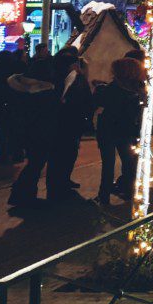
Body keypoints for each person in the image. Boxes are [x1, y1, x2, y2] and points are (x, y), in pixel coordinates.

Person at [6, 59, 60, 207]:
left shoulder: (18, 86)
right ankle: (22, 195)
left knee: (33, 162)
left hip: (23, 129)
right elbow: (48, 113)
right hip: (40, 131)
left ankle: (24, 194)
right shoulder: (45, 91)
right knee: (35, 163)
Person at [93, 58, 146, 206]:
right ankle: (129, 191)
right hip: (127, 131)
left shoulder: (111, 90)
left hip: (109, 130)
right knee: (128, 162)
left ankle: (104, 196)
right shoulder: (137, 89)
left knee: (108, 164)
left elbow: (100, 105)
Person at [48, 53, 94, 201]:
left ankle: (60, 182)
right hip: (70, 121)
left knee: (61, 154)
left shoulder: (57, 77)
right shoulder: (75, 79)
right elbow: (84, 100)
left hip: (62, 121)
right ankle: (59, 185)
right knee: (65, 153)